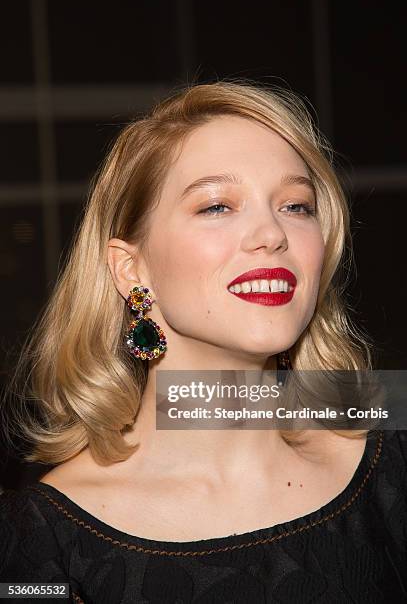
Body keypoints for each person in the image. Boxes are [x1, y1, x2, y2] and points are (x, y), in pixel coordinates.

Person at [1, 80, 406, 603]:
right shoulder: (32, 550)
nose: (271, 233)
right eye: (217, 206)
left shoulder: (392, 467)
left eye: (297, 206)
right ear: (132, 269)